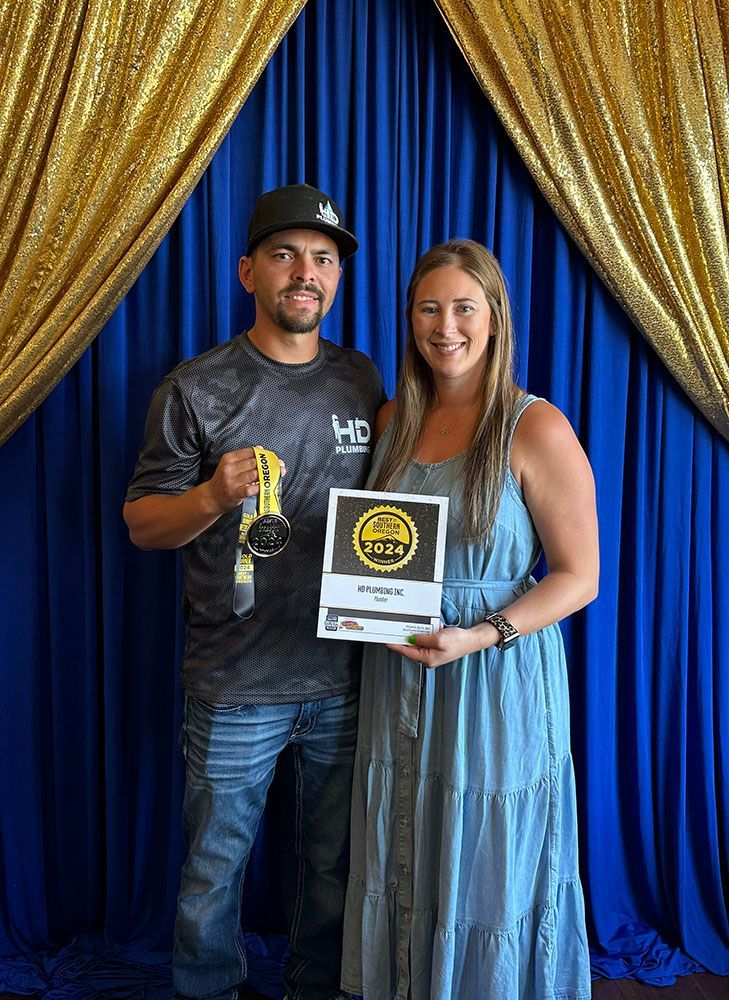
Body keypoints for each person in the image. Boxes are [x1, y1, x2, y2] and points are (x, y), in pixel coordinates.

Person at [123, 183, 385, 1000]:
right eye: (284, 256)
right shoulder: (196, 388)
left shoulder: (361, 379)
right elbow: (140, 525)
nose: (304, 273)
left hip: (343, 679)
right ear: (247, 273)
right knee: (212, 874)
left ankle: (314, 991)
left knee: (332, 870)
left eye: (322, 259)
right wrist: (210, 497)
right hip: (235, 685)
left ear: (336, 278)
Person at [340, 240, 598, 1000]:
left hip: (493, 680)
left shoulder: (534, 426)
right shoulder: (392, 419)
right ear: (410, 318)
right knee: (403, 846)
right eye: (428, 308)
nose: (443, 326)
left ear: (493, 319)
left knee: (485, 860)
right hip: (399, 672)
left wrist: (480, 635)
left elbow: (579, 578)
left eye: (462, 308)